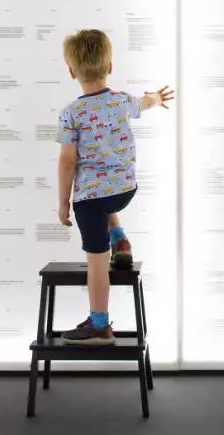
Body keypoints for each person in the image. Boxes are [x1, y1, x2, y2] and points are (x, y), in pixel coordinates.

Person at [55, 29, 173, 345]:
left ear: (71, 72)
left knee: (96, 263)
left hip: (92, 201)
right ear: (110, 67)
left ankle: (99, 325)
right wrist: (157, 97)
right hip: (125, 190)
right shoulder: (122, 101)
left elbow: (67, 161)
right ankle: (120, 241)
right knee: (104, 197)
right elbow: (144, 102)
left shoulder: (71, 113)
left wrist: (64, 203)